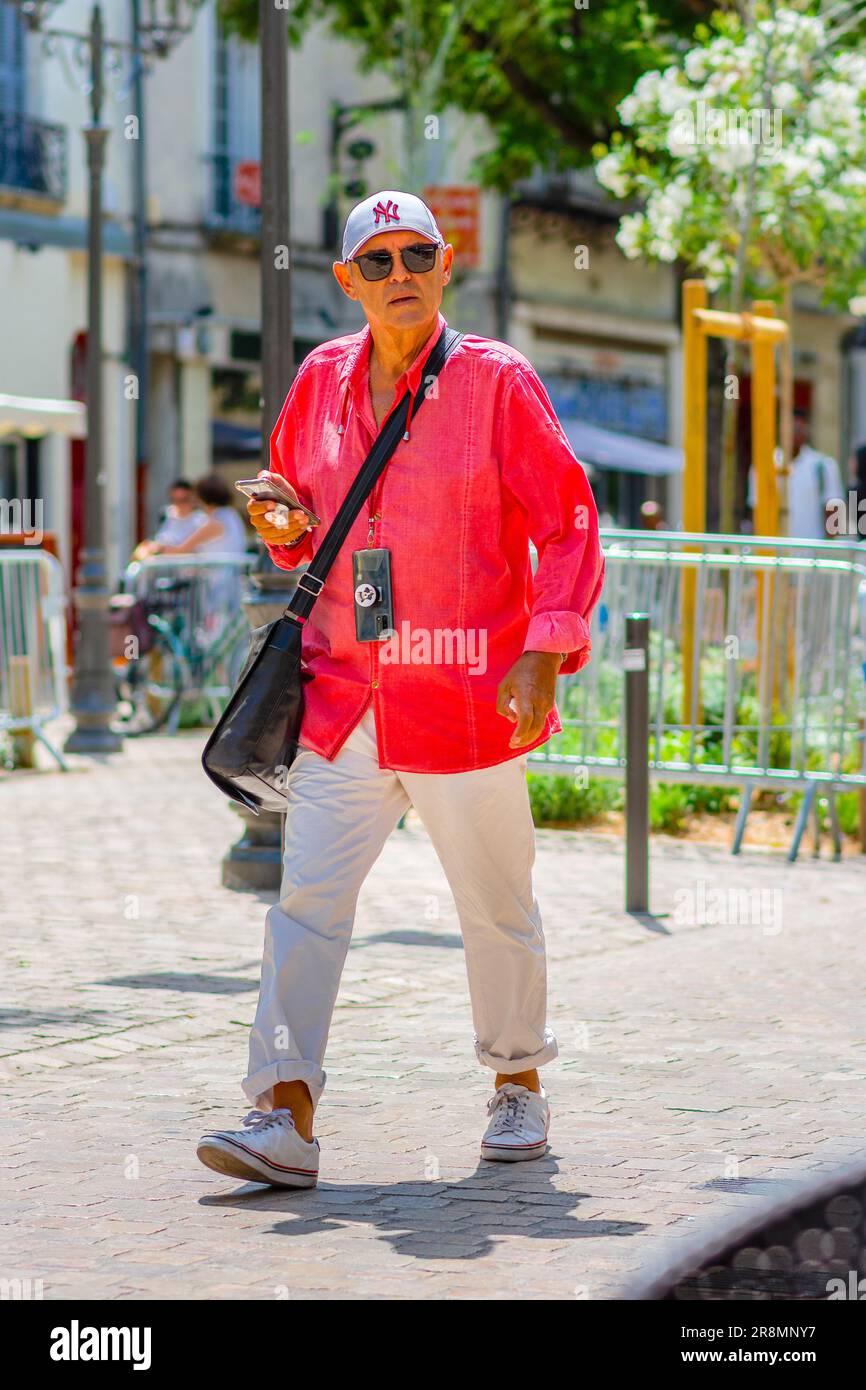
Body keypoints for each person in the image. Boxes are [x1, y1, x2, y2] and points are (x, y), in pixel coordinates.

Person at [196, 189, 605, 1189]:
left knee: (493, 904)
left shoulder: (495, 382)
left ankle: (516, 1082)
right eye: (373, 261)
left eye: (414, 253)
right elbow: (295, 507)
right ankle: (282, 1111)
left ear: (445, 262)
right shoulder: (319, 379)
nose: (397, 273)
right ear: (347, 281)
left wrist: (542, 646)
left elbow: (566, 520)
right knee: (304, 905)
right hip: (346, 693)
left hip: (464, 693)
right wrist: (278, 518)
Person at [131, 479, 204, 560]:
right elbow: (156, 541)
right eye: (175, 500)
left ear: (192, 498)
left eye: (184, 500)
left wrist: (162, 549)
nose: (180, 505)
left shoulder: (201, 521)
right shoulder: (166, 515)